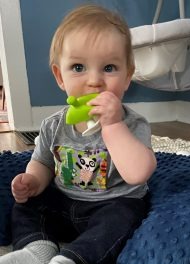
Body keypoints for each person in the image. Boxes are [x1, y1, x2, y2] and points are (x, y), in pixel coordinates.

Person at [0, 4, 157, 264]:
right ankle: (37, 249)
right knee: (27, 205)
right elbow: (43, 162)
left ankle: (74, 258)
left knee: (125, 217)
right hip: (64, 201)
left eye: (109, 68)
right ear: (60, 77)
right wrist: (33, 181)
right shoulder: (54, 125)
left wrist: (113, 126)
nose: (94, 80)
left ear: (127, 77)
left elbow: (138, 173)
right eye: (78, 67)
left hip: (110, 205)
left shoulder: (132, 124)